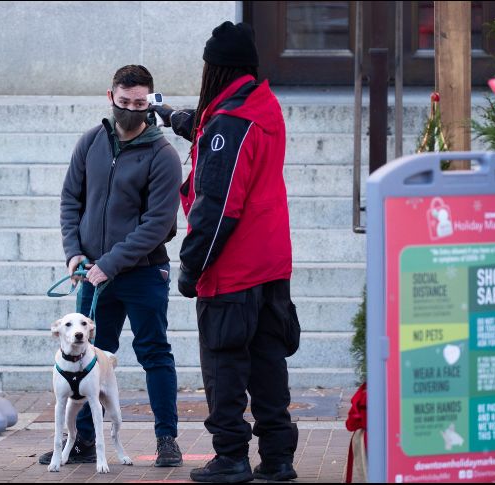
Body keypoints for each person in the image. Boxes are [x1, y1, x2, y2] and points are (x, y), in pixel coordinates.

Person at [152, 22, 301, 483]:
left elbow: (218, 205)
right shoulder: (261, 106)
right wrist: (174, 117)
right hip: (271, 264)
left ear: (216, 69)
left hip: (233, 269)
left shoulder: (230, 125)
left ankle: (231, 456)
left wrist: (191, 266)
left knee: (225, 366)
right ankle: (277, 457)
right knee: (268, 364)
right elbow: (213, 130)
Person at [39, 65, 184, 468]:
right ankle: (82, 439)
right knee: (88, 357)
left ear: (149, 102)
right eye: (124, 102)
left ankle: (167, 438)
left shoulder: (163, 155)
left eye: (139, 104)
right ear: (110, 97)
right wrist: (74, 252)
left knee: (154, 352)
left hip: (143, 272)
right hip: (92, 272)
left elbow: (157, 224)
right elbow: (70, 200)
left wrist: (111, 263)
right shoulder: (91, 142)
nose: (131, 110)